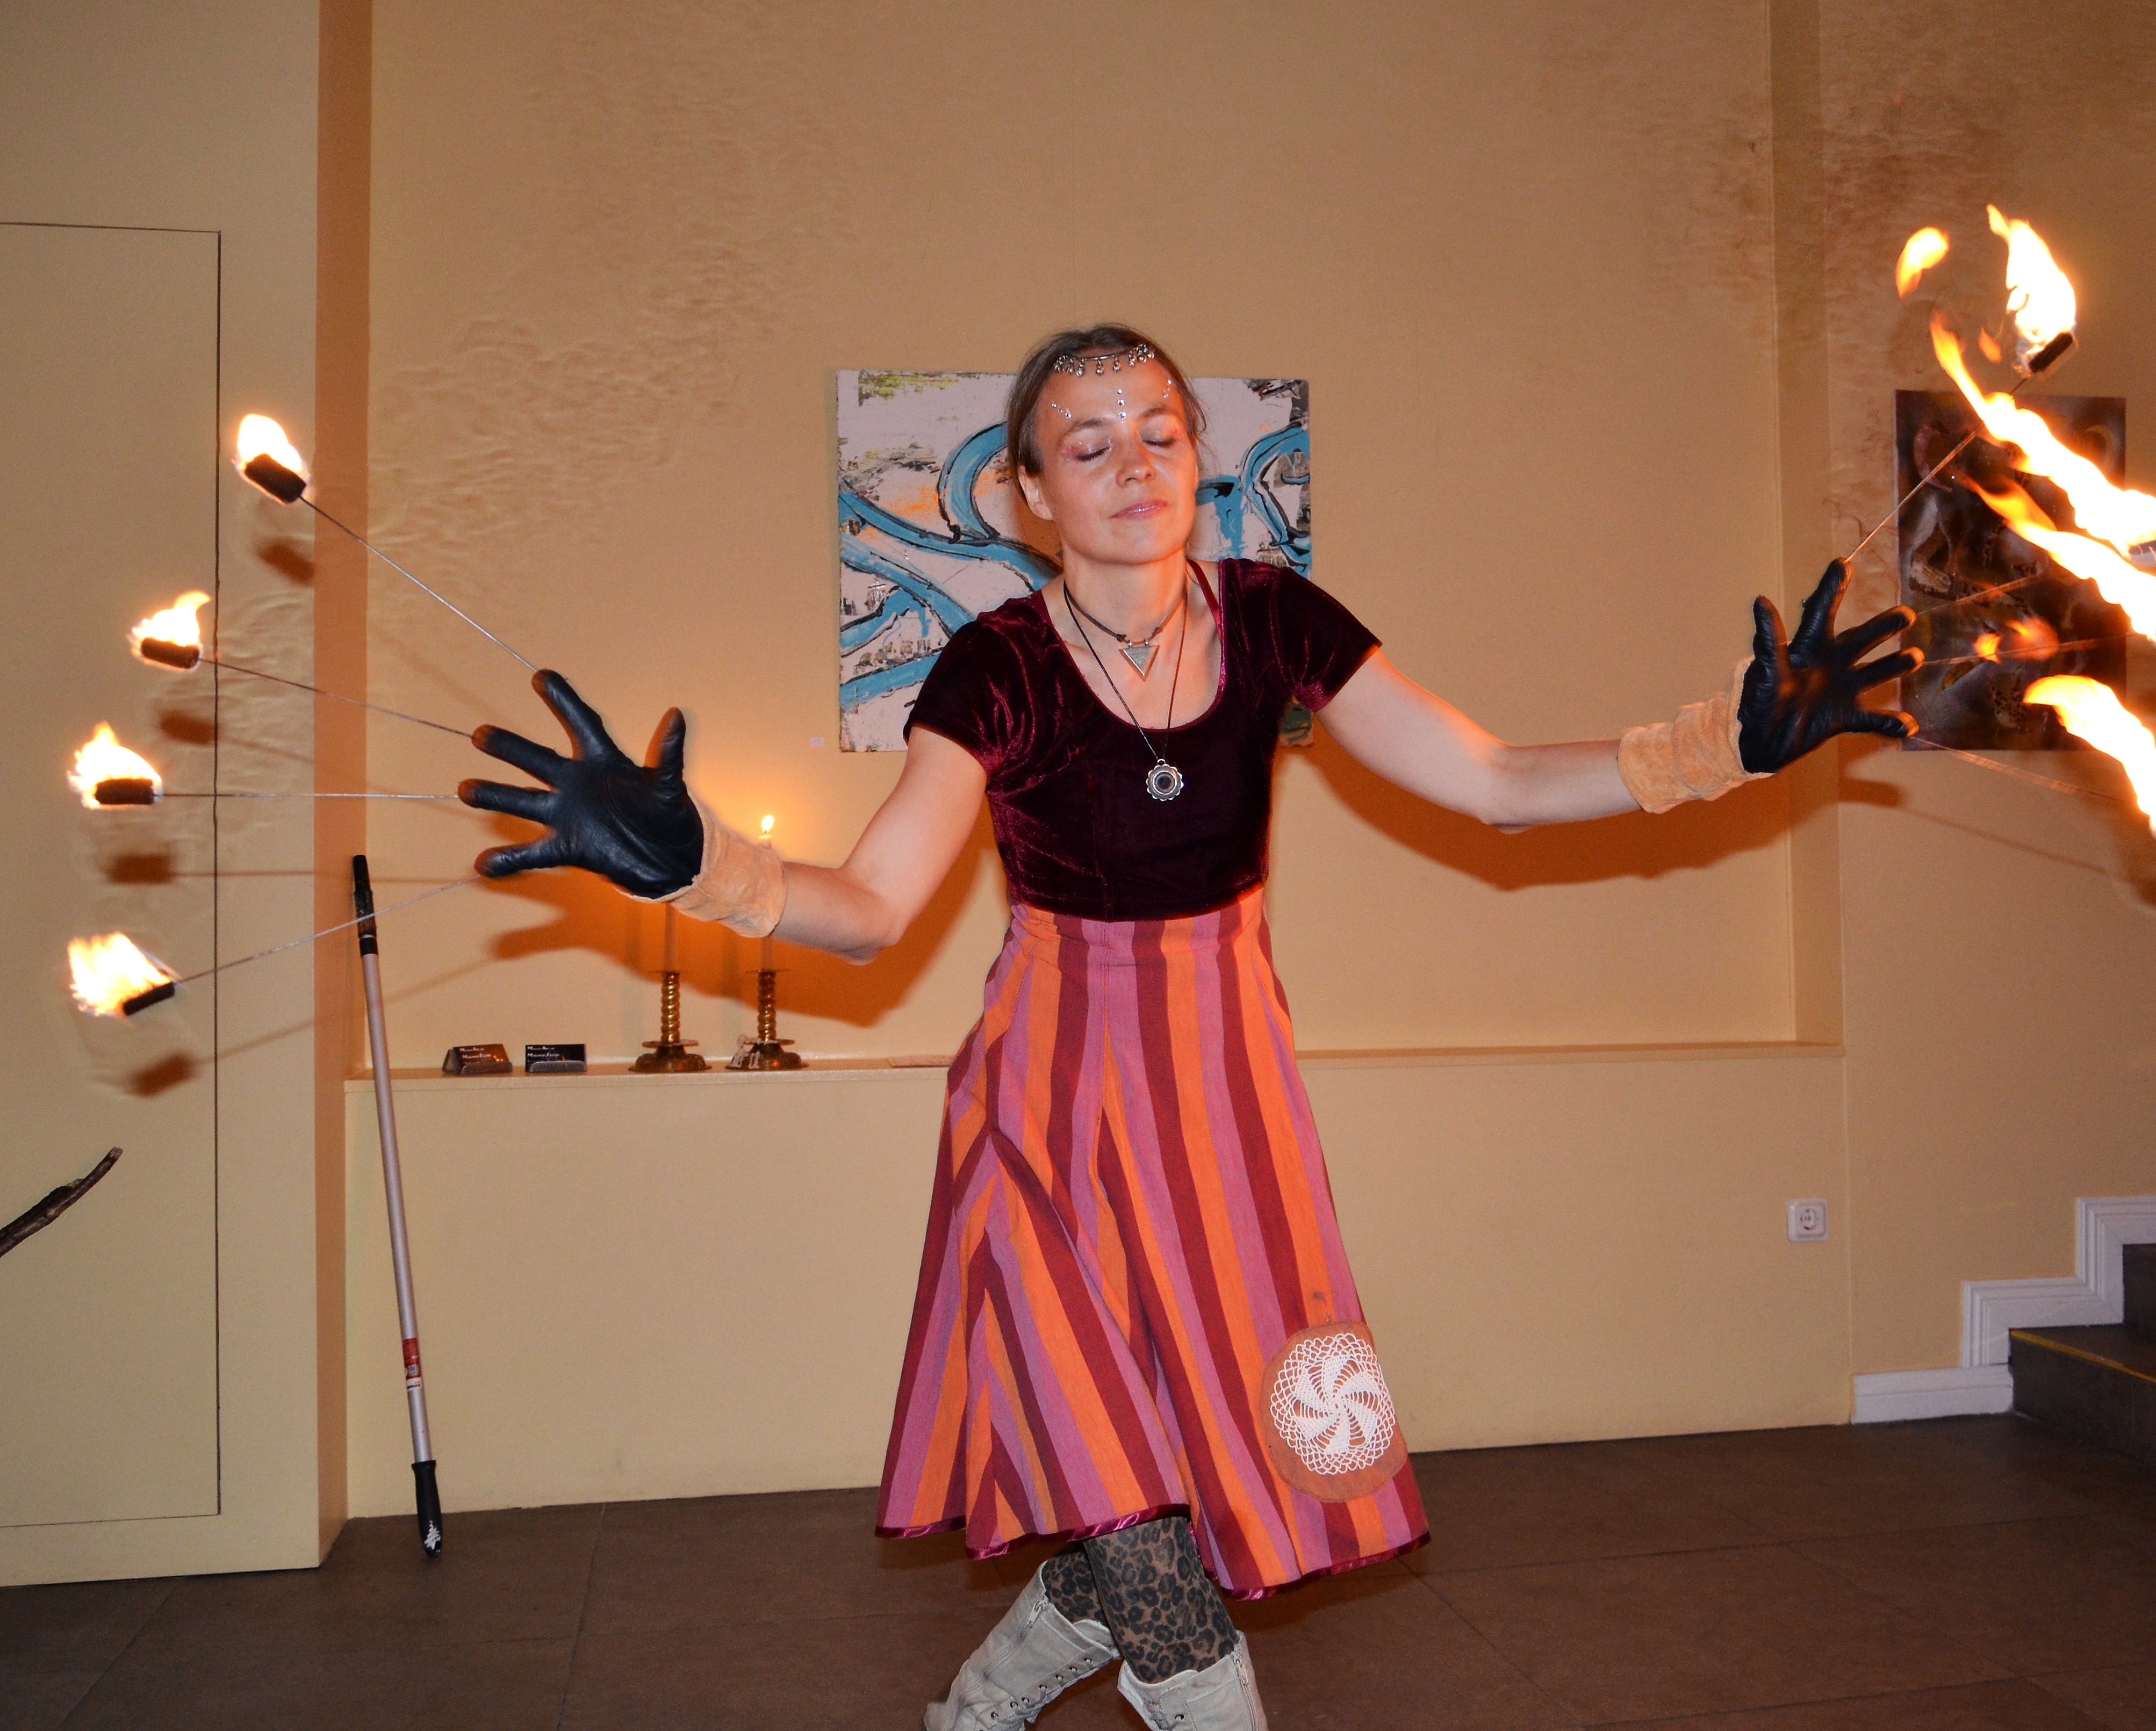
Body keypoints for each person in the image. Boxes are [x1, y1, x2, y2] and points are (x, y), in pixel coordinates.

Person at [459, 324, 1919, 1730]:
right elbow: (873, 906)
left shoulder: (1279, 621)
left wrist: (1723, 745)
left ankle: (976, 1712)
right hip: (1045, 1122)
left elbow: (1497, 781)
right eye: (1088, 444)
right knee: (1148, 1545)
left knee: (1153, 1508)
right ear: (1031, 493)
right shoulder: (997, 668)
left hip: (1231, 1117)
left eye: (1159, 432)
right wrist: (706, 864)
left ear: (1199, 456)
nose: (1134, 464)